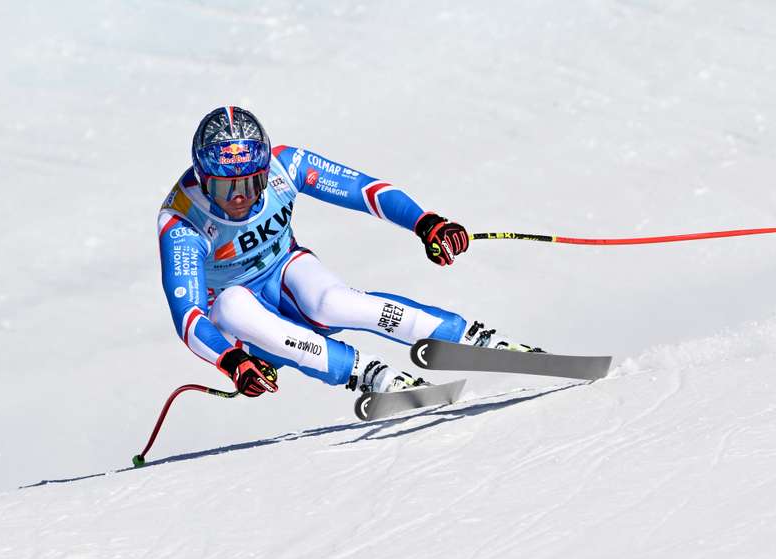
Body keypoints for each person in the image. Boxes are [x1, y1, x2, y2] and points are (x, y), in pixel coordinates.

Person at [158, 106, 540, 401]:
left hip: (284, 271)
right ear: (204, 179)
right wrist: (231, 360)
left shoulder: (285, 165)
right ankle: (369, 375)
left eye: (252, 182)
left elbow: (364, 191)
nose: (240, 197)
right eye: (226, 188)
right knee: (232, 305)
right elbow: (189, 317)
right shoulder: (182, 222)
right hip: (242, 326)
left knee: (334, 303)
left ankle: (472, 337)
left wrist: (425, 223)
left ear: (265, 169)